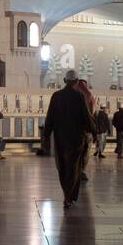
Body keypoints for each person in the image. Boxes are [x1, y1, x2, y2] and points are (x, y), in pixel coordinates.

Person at [44, 70, 97, 209]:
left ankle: (67, 195)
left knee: (62, 167)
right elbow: (86, 117)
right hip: (76, 139)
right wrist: (94, 132)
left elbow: (50, 118)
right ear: (76, 81)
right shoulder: (79, 96)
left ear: (65, 80)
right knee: (74, 168)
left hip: (60, 138)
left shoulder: (56, 96)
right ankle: (69, 196)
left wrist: (45, 137)